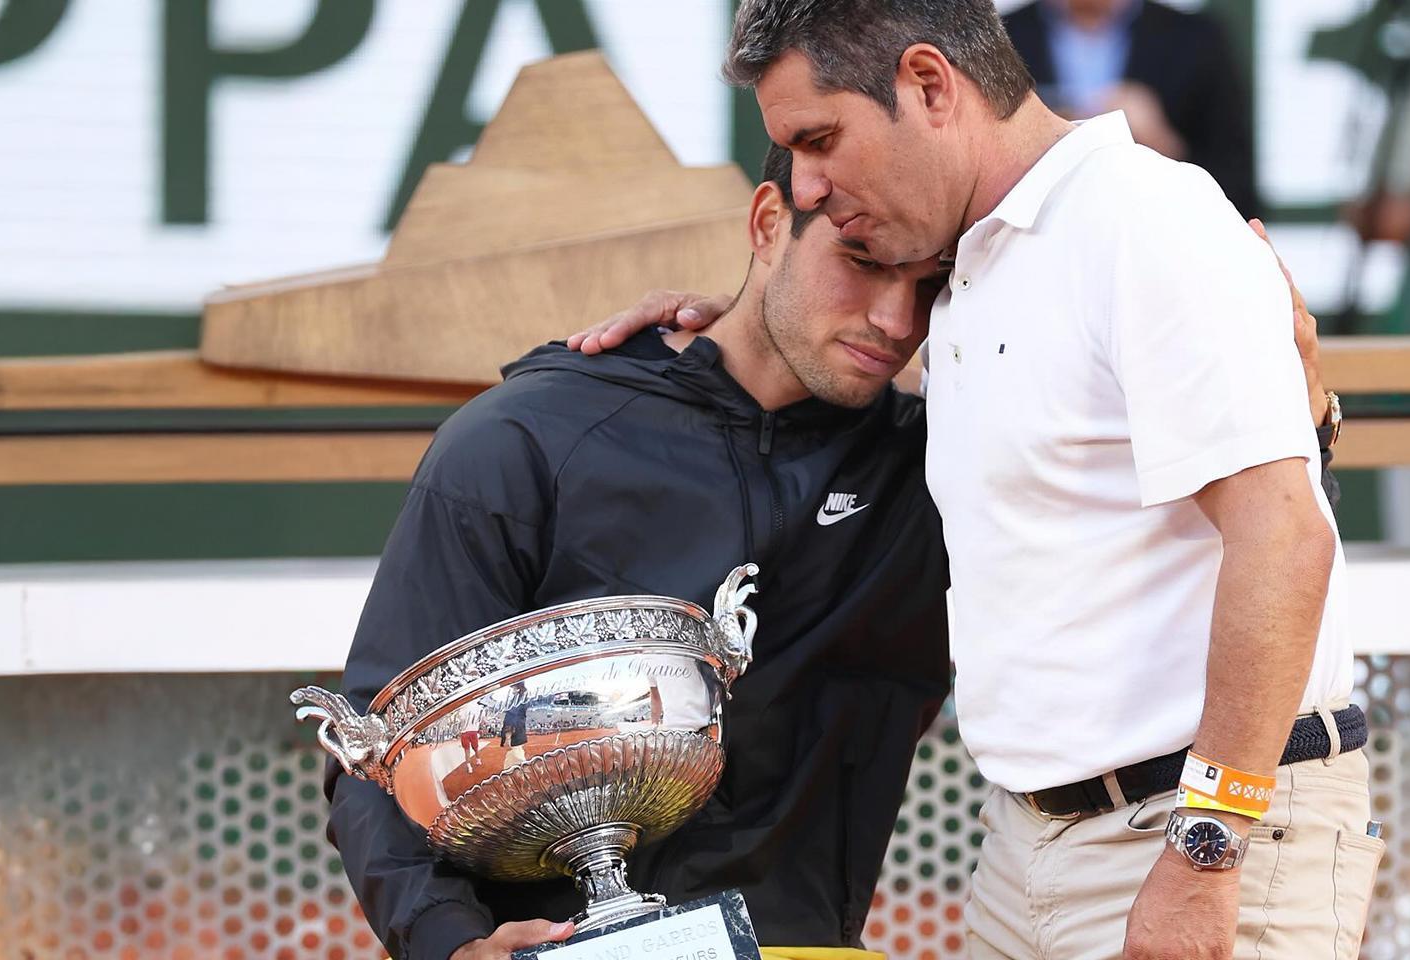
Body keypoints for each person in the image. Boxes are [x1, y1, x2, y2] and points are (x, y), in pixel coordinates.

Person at [585, 3, 1375, 958]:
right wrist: (747, 325)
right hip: (1026, 849)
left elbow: (1287, 539)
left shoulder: (1145, 219)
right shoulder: (970, 262)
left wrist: (1205, 852)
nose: (806, 182)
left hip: (1196, 834)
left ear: (929, 85)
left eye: (820, 138)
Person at [326, 147, 954, 960]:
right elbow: (381, 749)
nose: (897, 322)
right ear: (769, 224)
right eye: (862, 261)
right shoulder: (525, 441)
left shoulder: (937, 470)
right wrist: (447, 941)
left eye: (932, 284)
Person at [1002, 0, 1259, 219]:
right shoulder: (1003, 39)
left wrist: (1163, 144)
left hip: (1158, 245)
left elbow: (1239, 193)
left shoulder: (1198, 40)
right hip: (1038, 246)